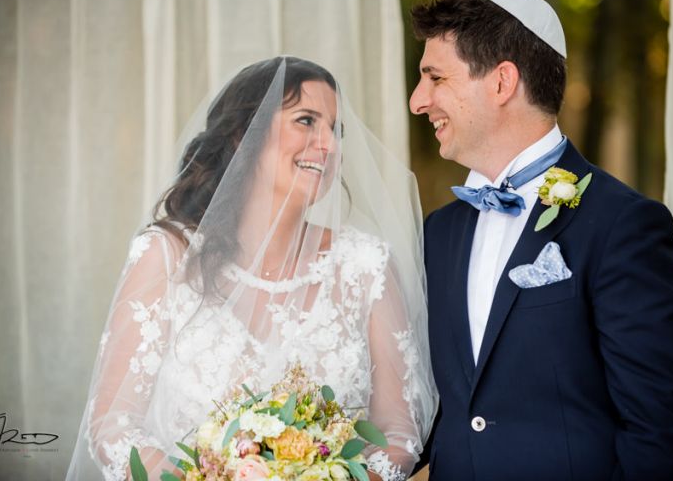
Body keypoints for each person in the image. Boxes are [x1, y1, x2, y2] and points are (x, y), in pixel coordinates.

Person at [67, 56, 437, 481]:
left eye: (335, 130)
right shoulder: (166, 256)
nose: (329, 145)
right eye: (306, 120)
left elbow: (398, 432)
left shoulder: (366, 266)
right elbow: (114, 425)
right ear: (245, 136)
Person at [409, 0, 673, 480]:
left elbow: (658, 430)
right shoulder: (438, 233)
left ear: (502, 82)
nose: (418, 101)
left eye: (434, 77)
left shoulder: (623, 225)